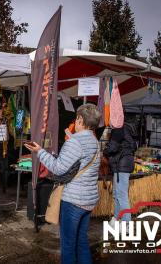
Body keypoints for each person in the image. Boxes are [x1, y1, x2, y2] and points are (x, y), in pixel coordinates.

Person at [25, 104, 101, 264]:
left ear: (80, 120)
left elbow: (58, 169)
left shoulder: (75, 142)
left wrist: (40, 152)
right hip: (88, 200)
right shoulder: (95, 142)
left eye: (77, 118)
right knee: (81, 242)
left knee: (68, 245)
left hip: (74, 200)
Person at [104, 122, 137, 227]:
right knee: (117, 194)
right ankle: (116, 219)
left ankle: (126, 224)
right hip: (122, 165)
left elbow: (112, 147)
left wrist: (104, 151)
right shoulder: (125, 128)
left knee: (121, 195)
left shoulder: (119, 129)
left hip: (121, 165)